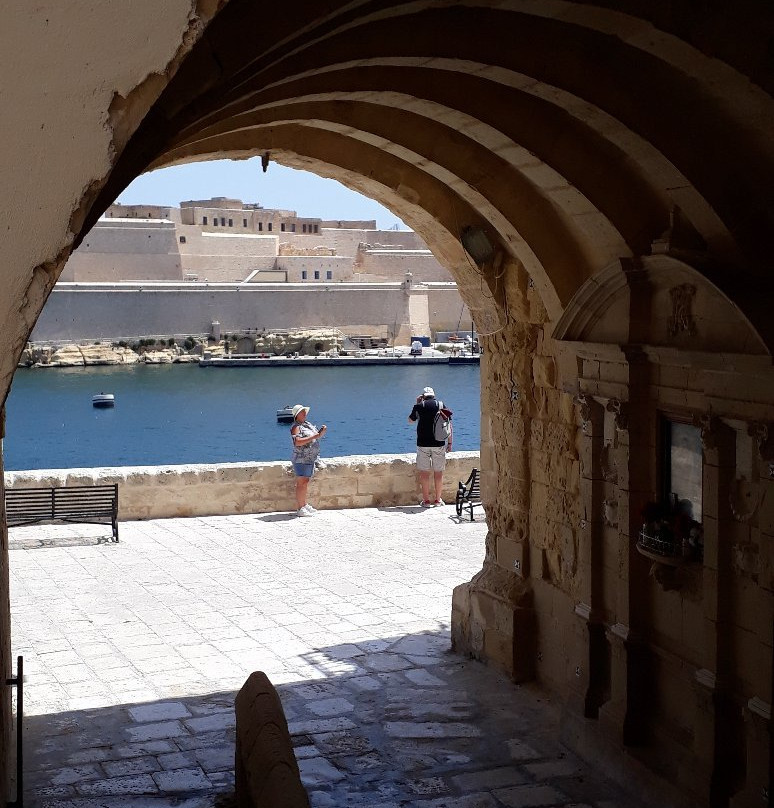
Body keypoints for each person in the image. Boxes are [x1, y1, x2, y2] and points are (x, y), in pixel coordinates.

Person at [408, 386, 452, 506]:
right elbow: (449, 425)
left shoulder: (419, 406)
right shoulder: (441, 405)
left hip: (423, 444)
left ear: (423, 396)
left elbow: (410, 420)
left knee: (424, 473)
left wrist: (417, 403)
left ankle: (426, 500)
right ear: (433, 395)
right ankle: (438, 500)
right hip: (439, 443)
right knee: (438, 473)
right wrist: (450, 443)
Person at [290, 404, 327, 517]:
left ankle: (304, 504)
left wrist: (320, 434)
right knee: (301, 483)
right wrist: (314, 437)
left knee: (305, 482)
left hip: (310, 458)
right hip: (301, 459)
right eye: (302, 412)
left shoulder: (307, 425)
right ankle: (300, 508)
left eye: (305, 412)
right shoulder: (296, 427)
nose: (305, 414)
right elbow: (297, 442)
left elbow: (315, 437)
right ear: (297, 415)